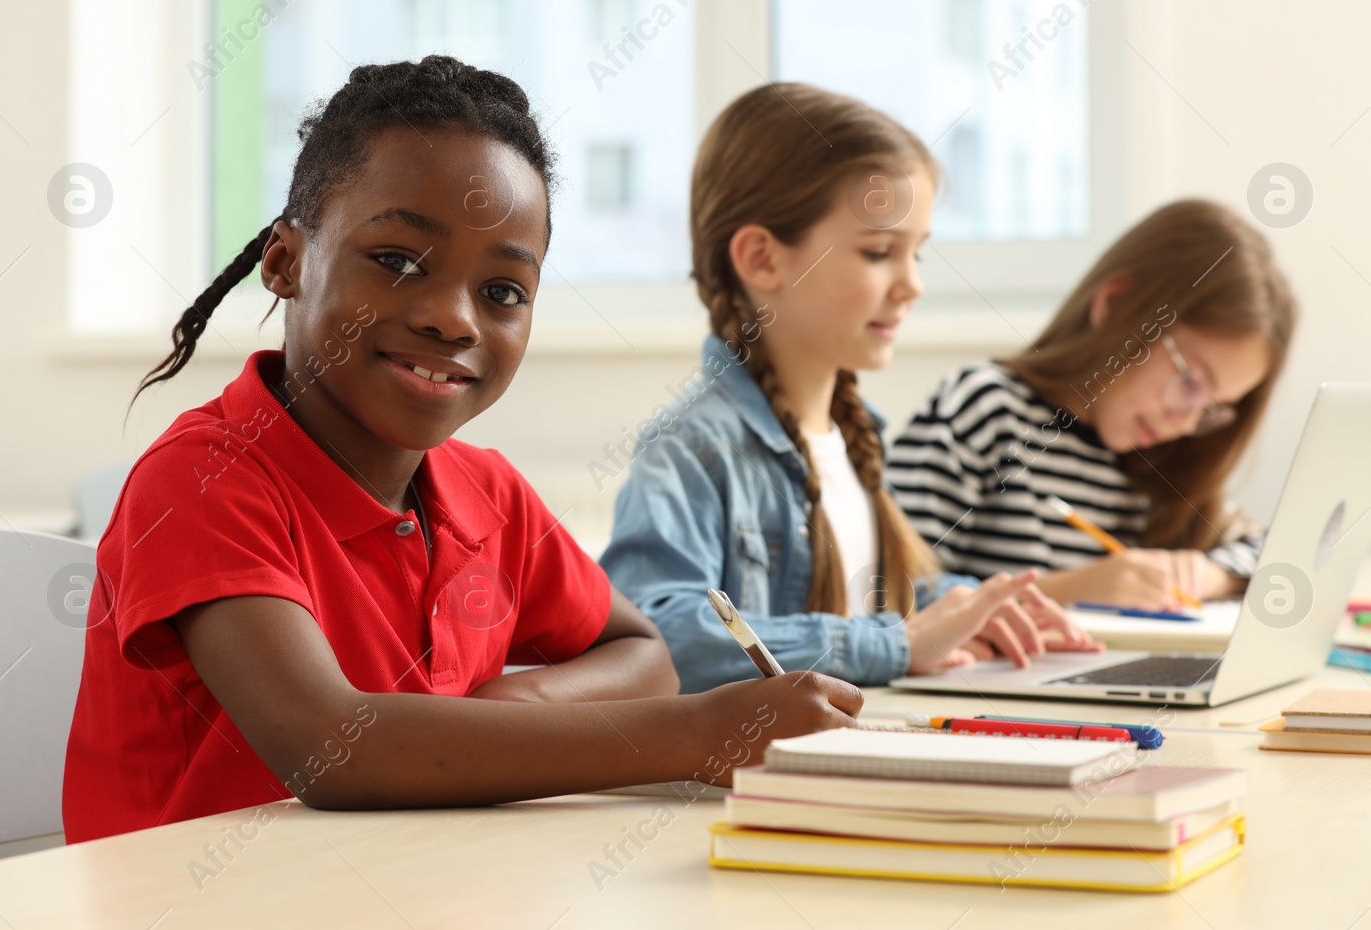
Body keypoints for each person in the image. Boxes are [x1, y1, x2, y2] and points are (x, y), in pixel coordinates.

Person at [61, 58, 861, 843]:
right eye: (398, 261)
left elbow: (641, 652)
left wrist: (509, 713)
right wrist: (697, 735)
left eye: (503, 291)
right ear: (285, 263)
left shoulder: (488, 494)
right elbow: (330, 745)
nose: (454, 319)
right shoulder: (203, 478)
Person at [601, 83, 1095, 694]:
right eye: (880, 251)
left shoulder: (855, 436)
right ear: (762, 259)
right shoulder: (691, 447)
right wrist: (897, 645)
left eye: (918, 254)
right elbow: (657, 638)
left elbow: (859, 603)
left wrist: (967, 606)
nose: (911, 284)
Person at [887, 199, 1297, 610]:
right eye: (1190, 383)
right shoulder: (986, 409)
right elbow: (889, 589)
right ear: (1116, 305)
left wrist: (1211, 575)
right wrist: (1072, 591)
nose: (1188, 422)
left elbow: (1273, 549)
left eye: (1213, 408)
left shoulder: (1166, 460)